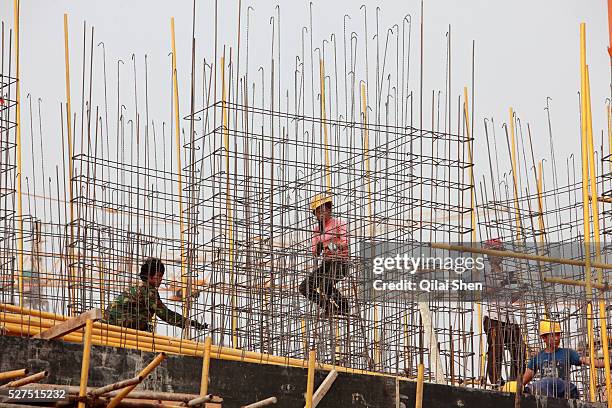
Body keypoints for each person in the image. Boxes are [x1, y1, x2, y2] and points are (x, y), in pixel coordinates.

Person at [104, 258, 208, 332]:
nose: (161, 279)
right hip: (120, 324)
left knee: (147, 327)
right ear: (149, 276)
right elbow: (166, 314)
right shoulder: (148, 291)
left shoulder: (138, 288)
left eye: (161, 276)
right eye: (158, 276)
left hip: (111, 324)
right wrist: (192, 323)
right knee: (147, 329)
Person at [522, 319, 607, 399]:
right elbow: (524, 381)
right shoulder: (537, 358)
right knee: (536, 387)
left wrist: (607, 363)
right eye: (553, 335)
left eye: (558, 335)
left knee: (547, 382)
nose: (556, 338)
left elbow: (588, 361)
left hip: (567, 390)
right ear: (544, 338)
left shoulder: (567, 353)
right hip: (549, 393)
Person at [483, 238, 525, 387]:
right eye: (495, 251)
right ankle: (496, 383)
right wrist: (503, 283)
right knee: (496, 351)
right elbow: (484, 293)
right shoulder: (484, 272)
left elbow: (509, 299)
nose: (498, 254)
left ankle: (516, 382)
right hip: (494, 317)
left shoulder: (506, 273)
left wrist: (521, 291)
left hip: (509, 317)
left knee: (520, 350)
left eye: (500, 251)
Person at [299, 194, 350, 317]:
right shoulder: (317, 230)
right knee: (305, 287)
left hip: (340, 263)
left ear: (329, 210)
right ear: (315, 214)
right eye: (318, 211)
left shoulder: (339, 224)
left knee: (325, 285)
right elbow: (315, 254)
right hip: (326, 263)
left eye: (323, 210)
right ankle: (329, 307)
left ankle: (344, 306)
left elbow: (345, 243)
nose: (321, 214)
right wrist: (319, 247)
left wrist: (329, 245)